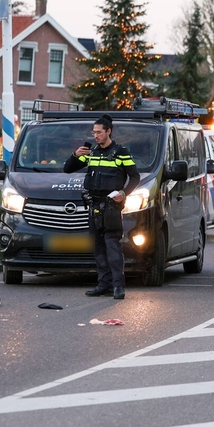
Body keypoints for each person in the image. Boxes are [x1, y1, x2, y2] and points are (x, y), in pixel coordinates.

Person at [65, 114, 140, 299]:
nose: (96, 136)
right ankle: (103, 284)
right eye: (94, 132)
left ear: (109, 131)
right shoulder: (92, 153)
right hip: (93, 206)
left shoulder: (121, 152)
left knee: (113, 248)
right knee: (98, 249)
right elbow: (67, 168)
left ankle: (118, 287)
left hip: (111, 207)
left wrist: (124, 193)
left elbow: (135, 176)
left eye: (99, 132)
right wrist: (76, 155)